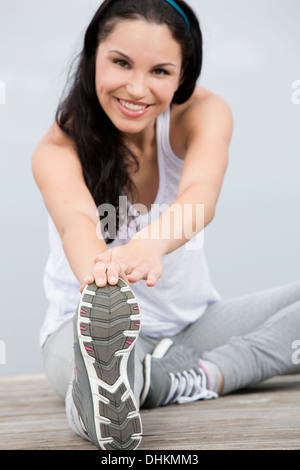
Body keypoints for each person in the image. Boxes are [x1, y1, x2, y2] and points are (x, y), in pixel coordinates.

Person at [32, 0, 300, 451]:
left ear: (183, 75)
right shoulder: (57, 147)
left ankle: (186, 377)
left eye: (160, 71)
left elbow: (200, 195)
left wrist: (149, 246)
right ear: (93, 55)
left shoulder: (203, 112)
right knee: (106, 383)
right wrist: (102, 276)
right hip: (79, 329)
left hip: (193, 326)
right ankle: (135, 380)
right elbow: (77, 222)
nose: (137, 89)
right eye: (120, 62)